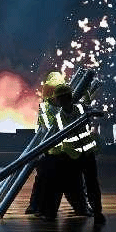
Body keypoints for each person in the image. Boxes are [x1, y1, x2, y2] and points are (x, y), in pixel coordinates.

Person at [38, 83, 105, 224]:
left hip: (84, 154)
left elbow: (96, 111)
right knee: (69, 184)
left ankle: (97, 212)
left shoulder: (80, 109)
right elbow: (54, 136)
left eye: (61, 98)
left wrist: (93, 112)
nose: (62, 101)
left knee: (90, 184)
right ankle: (53, 213)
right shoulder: (60, 117)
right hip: (74, 156)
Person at [25, 75, 92, 217]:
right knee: (47, 181)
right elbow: (50, 128)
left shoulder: (74, 108)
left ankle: (80, 207)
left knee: (72, 182)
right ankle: (38, 207)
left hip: (68, 153)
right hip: (53, 152)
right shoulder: (47, 108)